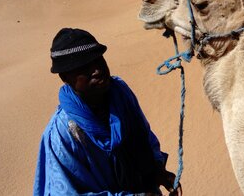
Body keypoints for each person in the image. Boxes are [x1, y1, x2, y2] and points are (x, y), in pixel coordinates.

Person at [34, 28, 179, 196]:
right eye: (85, 67)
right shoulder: (61, 134)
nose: (97, 70)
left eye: (98, 60)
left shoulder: (120, 92)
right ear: (65, 78)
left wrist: (157, 170)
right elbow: (65, 192)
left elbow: (144, 134)